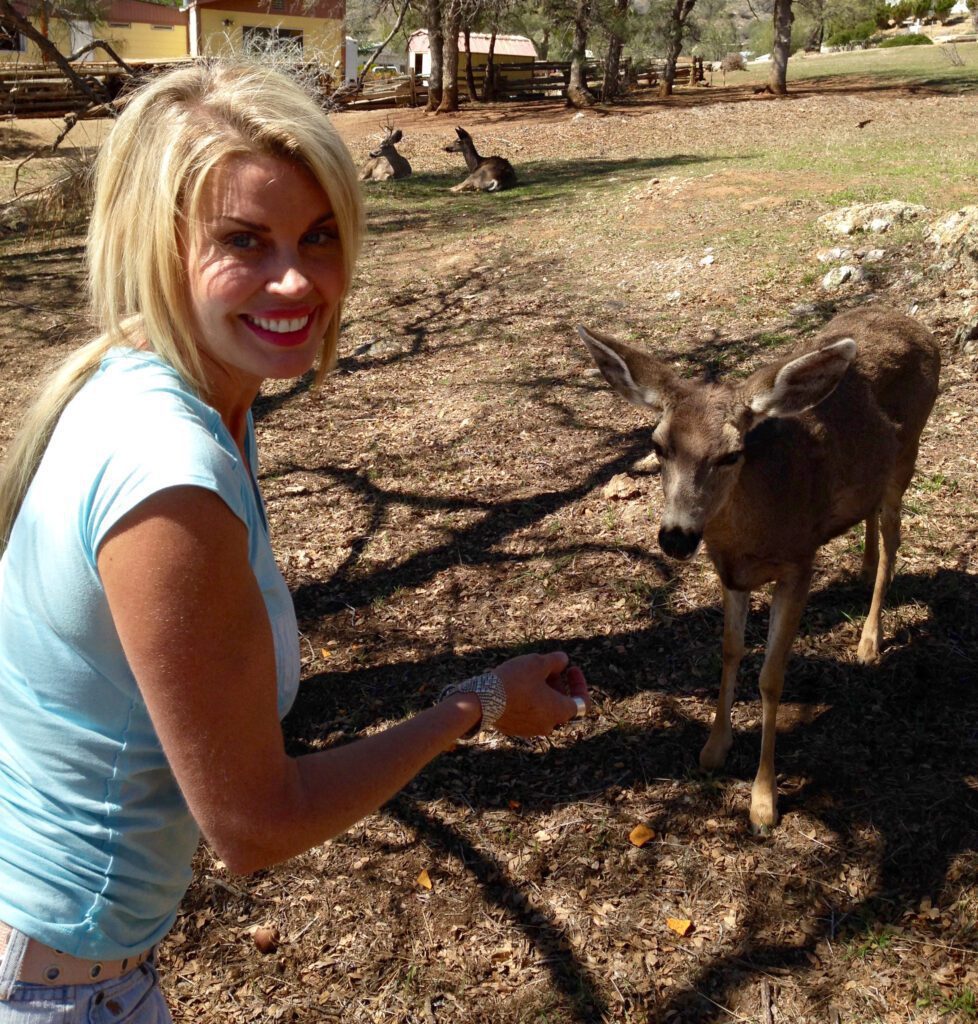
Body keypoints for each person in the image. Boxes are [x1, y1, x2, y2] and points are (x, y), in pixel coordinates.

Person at [0, 62, 590, 1022]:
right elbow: (253, 825)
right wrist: (473, 706)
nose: (296, 279)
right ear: (161, 246)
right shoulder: (169, 472)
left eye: (319, 238)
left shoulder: (160, 383)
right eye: (244, 240)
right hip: (50, 987)